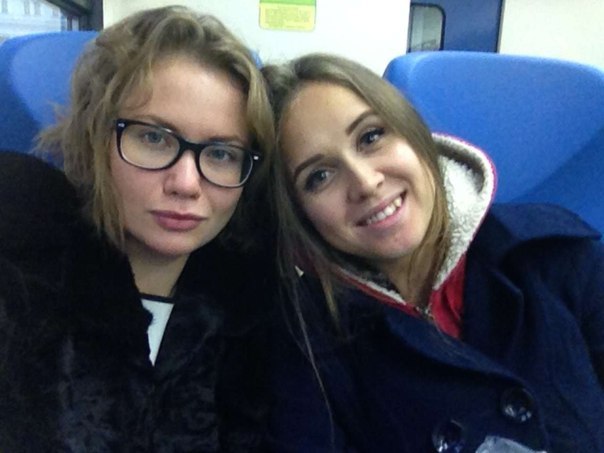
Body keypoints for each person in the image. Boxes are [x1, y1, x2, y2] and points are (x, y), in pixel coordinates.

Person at [262, 53, 604, 452]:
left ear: (415, 135)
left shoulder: (558, 256)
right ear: (299, 214)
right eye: (319, 176)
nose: (366, 183)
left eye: (371, 137)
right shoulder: (305, 339)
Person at [0, 6, 276, 452]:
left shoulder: (252, 318)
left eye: (221, 154)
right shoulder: (21, 271)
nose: (186, 183)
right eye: (153, 138)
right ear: (95, 137)